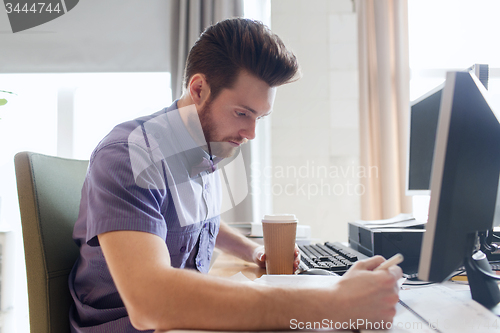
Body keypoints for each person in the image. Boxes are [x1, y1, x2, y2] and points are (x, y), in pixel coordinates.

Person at [69, 18, 402, 332]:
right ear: (198, 88)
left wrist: (253, 252)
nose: (251, 133)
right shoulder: (130, 155)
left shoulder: (202, 146)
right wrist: (329, 302)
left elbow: (193, 221)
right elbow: (149, 302)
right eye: (242, 112)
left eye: (260, 117)